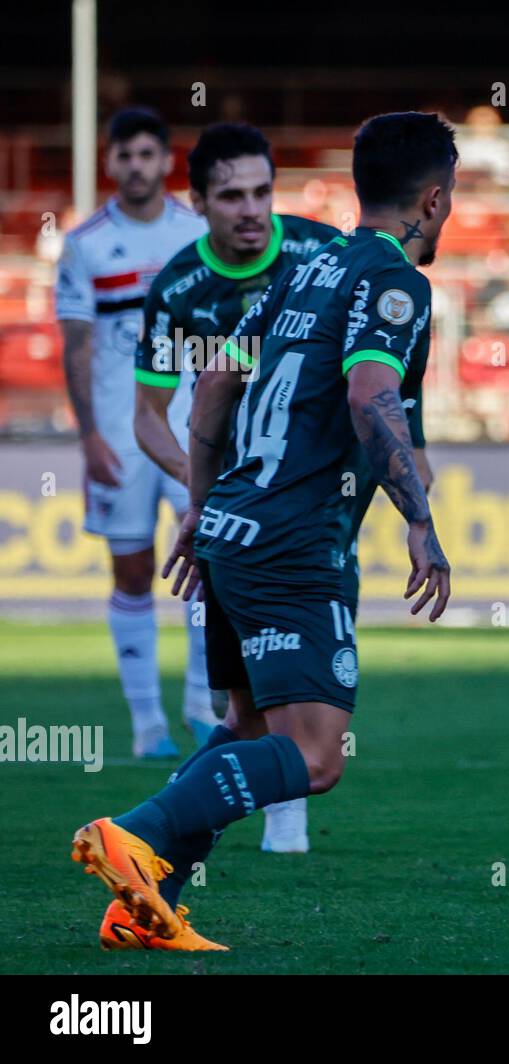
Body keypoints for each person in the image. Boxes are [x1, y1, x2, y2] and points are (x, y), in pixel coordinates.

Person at [71, 111, 455, 950]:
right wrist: (420, 524)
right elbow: (367, 395)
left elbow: (212, 385)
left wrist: (206, 508)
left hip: (236, 528)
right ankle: (132, 831)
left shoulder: (300, 270)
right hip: (293, 544)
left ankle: (146, 901)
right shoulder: (396, 284)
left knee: (248, 731)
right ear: (434, 200)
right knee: (315, 759)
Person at [115, 122, 337, 942]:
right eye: (232, 196)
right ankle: (146, 837)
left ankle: (167, 858)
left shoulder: (317, 255)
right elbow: (147, 415)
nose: (251, 211)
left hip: (302, 510)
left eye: (261, 192)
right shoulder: (178, 287)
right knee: (250, 710)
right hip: (220, 514)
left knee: (270, 709)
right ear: (199, 201)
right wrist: (197, 488)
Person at [55, 108, 212, 760]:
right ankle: (148, 726)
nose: (137, 165)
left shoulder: (197, 231)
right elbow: (77, 346)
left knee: (209, 565)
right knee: (132, 570)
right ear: (110, 163)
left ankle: (203, 705)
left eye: (149, 153)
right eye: (127, 155)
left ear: (164, 159)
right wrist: (89, 435)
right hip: (120, 435)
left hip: (193, 430)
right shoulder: (86, 243)